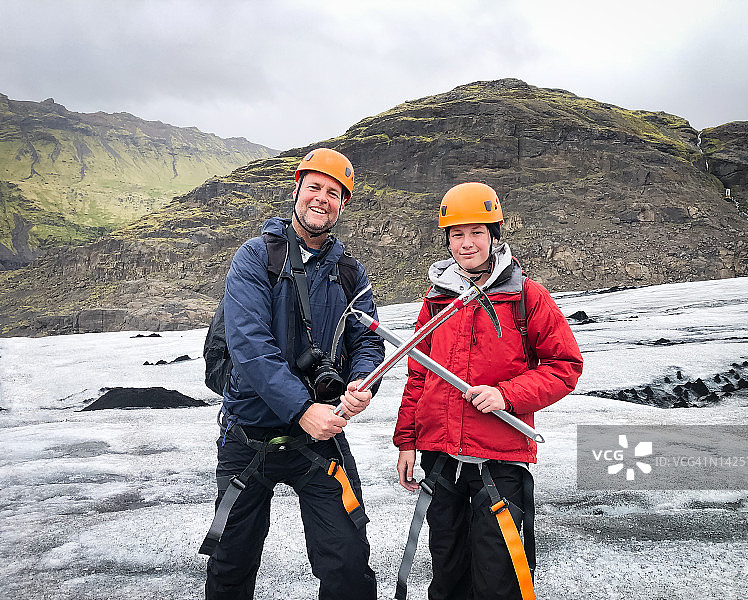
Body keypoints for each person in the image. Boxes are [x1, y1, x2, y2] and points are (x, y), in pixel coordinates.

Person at [204, 148, 385, 600]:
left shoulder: (349, 273)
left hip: (320, 441)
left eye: (334, 193)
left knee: (347, 564)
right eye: (315, 187)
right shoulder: (254, 258)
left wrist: (364, 382)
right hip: (248, 437)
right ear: (297, 190)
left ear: (343, 204)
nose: (322, 199)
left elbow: (367, 340)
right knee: (231, 563)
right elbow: (249, 345)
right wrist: (303, 409)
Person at [393, 182, 583, 600]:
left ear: (494, 235)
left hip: (500, 464)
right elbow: (418, 375)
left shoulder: (526, 297)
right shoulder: (437, 299)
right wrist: (407, 441)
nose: (466, 243)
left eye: (476, 232)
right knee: (447, 575)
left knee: (499, 583)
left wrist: (507, 395)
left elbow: (565, 367)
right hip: (441, 461)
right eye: (457, 234)